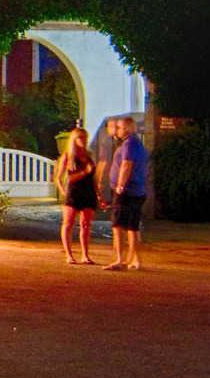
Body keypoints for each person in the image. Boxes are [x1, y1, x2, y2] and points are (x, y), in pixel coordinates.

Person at [105, 116, 149, 271]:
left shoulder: (129, 144)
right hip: (138, 190)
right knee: (132, 226)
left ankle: (119, 259)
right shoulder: (137, 144)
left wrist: (120, 186)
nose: (117, 130)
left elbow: (126, 164)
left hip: (127, 191)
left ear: (128, 128)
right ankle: (136, 259)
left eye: (119, 127)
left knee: (118, 225)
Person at [59, 123, 99, 265]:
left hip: (88, 192)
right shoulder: (69, 157)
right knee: (68, 223)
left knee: (86, 224)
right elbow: (66, 178)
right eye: (80, 138)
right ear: (74, 140)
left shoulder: (89, 156)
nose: (83, 141)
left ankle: (85, 255)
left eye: (85, 138)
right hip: (74, 192)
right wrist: (63, 190)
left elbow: (94, 178)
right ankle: (69, 255)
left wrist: (98, 194)